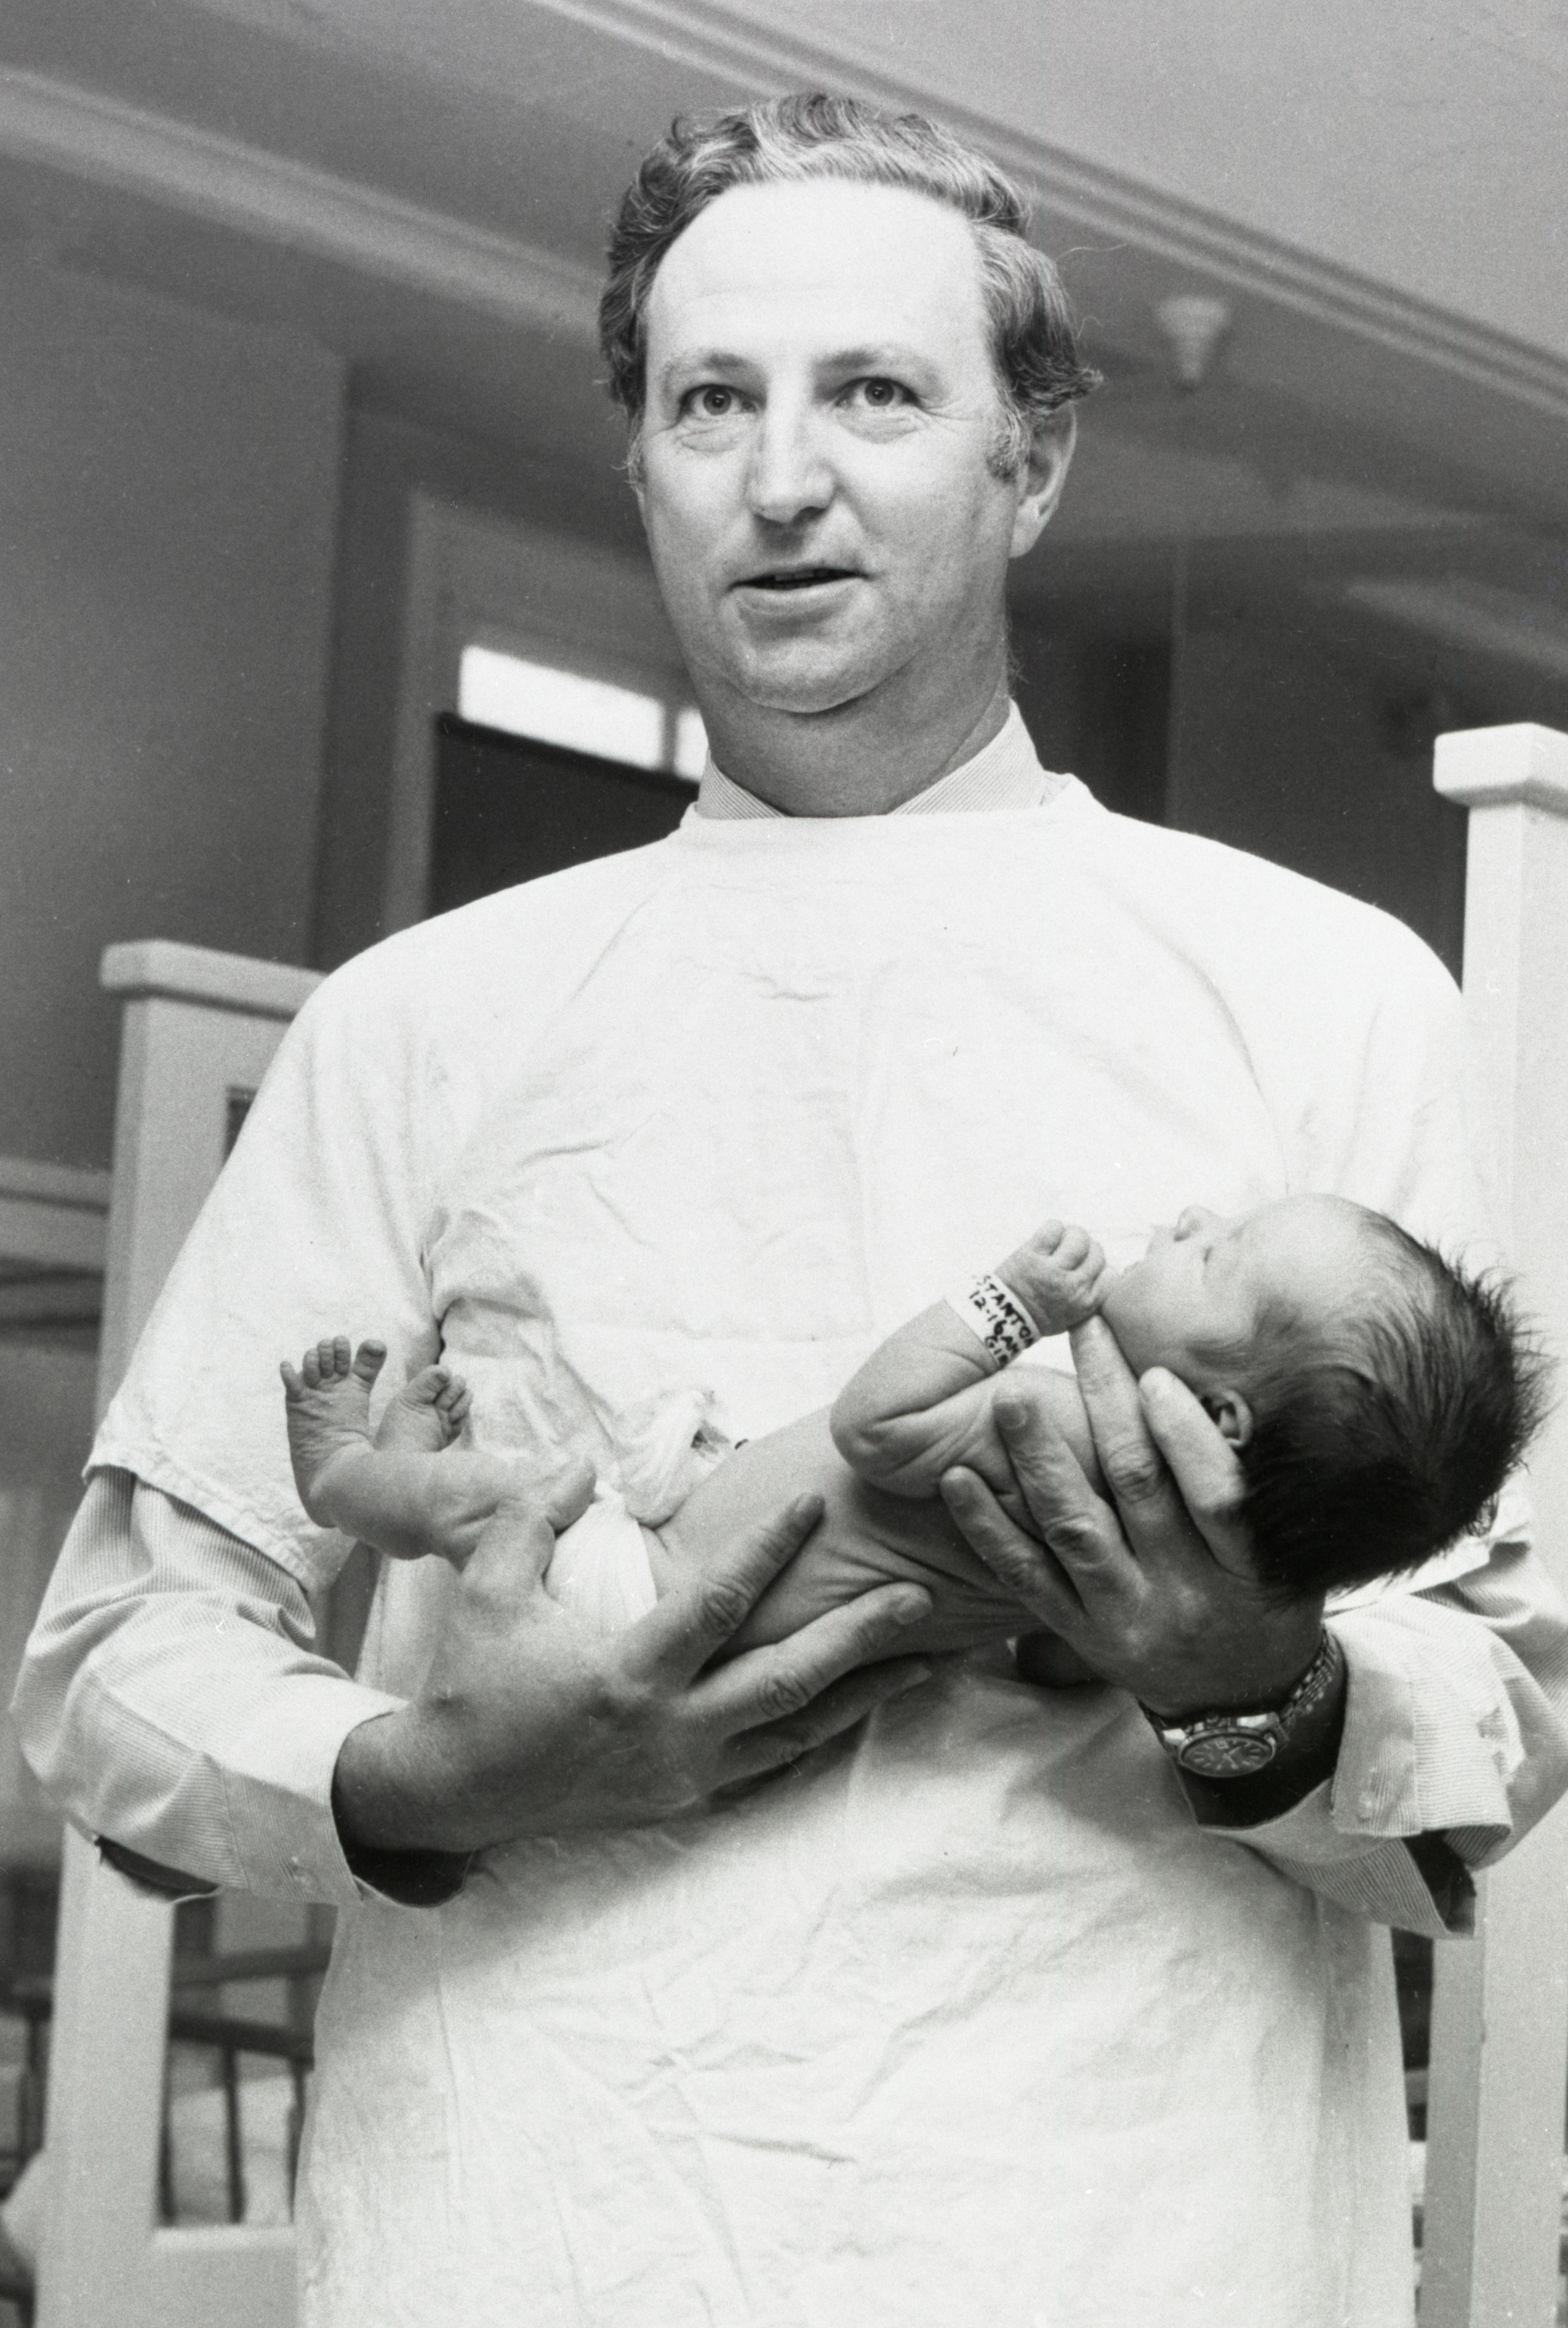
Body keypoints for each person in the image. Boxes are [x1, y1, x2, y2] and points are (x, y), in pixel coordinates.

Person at [15, 93, 1568, 2328]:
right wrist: (439, 1769)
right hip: (528, 2221)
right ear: (637, 455)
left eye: (874, 393)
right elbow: (117, 1685)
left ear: (1031, 464)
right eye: (709, 400)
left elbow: (1494, 1707)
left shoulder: (1325, 990)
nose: (781, 476)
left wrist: (1247, 1683)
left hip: (1126, 2229)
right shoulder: (425, 1025)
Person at [280, 1194, 1545, 1660]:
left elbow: (878, 1427)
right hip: (703, 1573)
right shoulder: (1151, 1557)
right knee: (528, 1497)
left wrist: (1012, 1303)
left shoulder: (1049, 1425)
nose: (1196, 1214)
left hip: (643, 1595)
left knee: (511, 1504)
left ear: (1217, 1413)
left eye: (1220, 1255)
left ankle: (349, 1480)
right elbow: (1056, 1660)